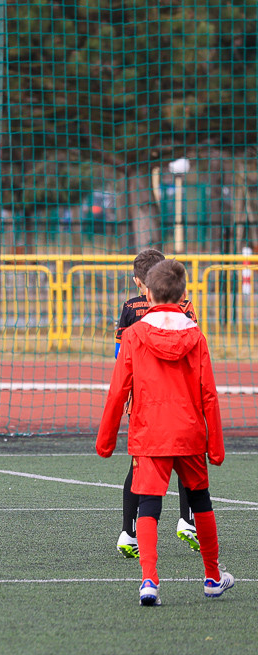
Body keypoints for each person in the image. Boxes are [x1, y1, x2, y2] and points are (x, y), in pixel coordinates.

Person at [97, 259, 233, 605]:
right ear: (183, 293)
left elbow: (118, 391)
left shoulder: (133, 335)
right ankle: (213, 577)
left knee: (148, 504)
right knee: (201, 501)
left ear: (148, 292)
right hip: (189, 433)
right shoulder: (195, 335)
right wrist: (215, 445)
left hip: (149, 434)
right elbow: (209, 394)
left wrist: (106, 440)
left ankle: (149, 582)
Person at [114, 248, 199, 559]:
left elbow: (121, 357)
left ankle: (129, 531)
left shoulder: (130, 307)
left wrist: (126, 394)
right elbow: (193, 351)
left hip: (143, 398)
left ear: (139, 281)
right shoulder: (185, 308)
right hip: (180, 397)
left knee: (140, 464)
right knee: (187, 458)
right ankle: (187, 521)